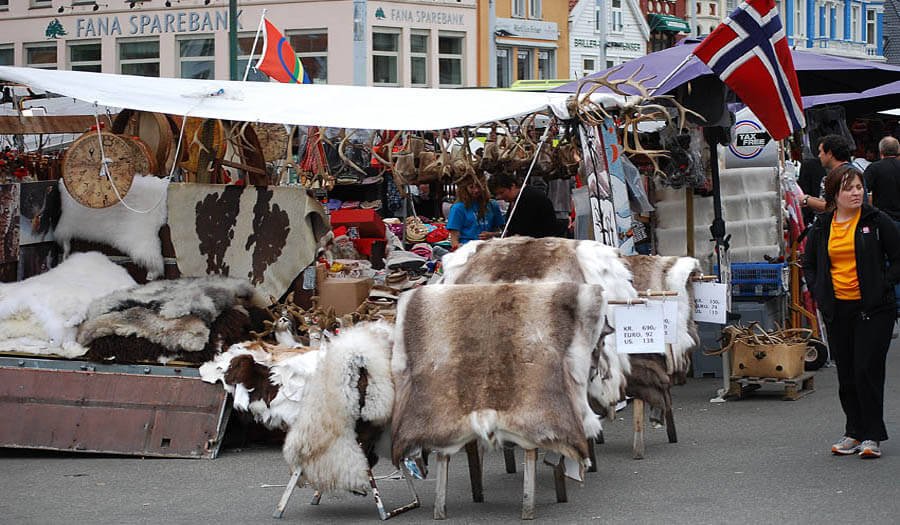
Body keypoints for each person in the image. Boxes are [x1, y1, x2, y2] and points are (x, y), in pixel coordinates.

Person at [802, 164, 900, 459]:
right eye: (849, 188)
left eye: (859, 187)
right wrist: (819, 290)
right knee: (847, 374)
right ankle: (853, 431)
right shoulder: (822, 224)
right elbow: (809, 262)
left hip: (874, 309)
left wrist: (883, 284)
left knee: (866, 369)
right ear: (834, 194)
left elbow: (898, 258)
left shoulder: (876, 220)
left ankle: (872, 435)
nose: (857, 193)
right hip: (838, 309)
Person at [487, 172, 558, 238]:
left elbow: (523, 230)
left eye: (501, 192)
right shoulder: (515, 199)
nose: (498, 197)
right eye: (496, 194)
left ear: (512, 186)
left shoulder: (531, 198)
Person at [446, 174, 504, 250]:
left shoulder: (492, 205)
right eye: (471, 187)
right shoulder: (458, 208)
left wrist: (492, 235)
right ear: (465, 188)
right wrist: (459, 251)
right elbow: (454, 240)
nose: (476, 190)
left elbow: (501, 232)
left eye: (479, 186)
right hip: (467, 250)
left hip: (489, 249)